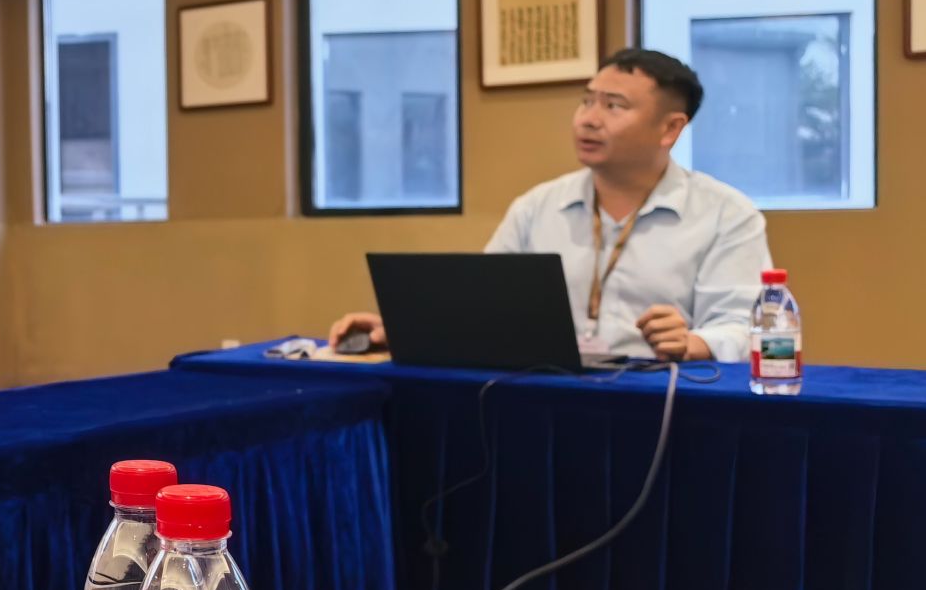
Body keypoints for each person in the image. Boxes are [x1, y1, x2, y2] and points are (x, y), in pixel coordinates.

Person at [329, 48, 770, 362]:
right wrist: (405, 330)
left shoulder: (726, 214)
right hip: (546, 399)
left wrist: (694, 342)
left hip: (661, 403)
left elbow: (750, 329)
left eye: (614, 106)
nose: (589, 119)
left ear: (670, 129)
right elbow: (483, 309)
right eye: (587, 101)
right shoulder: (538, 206)